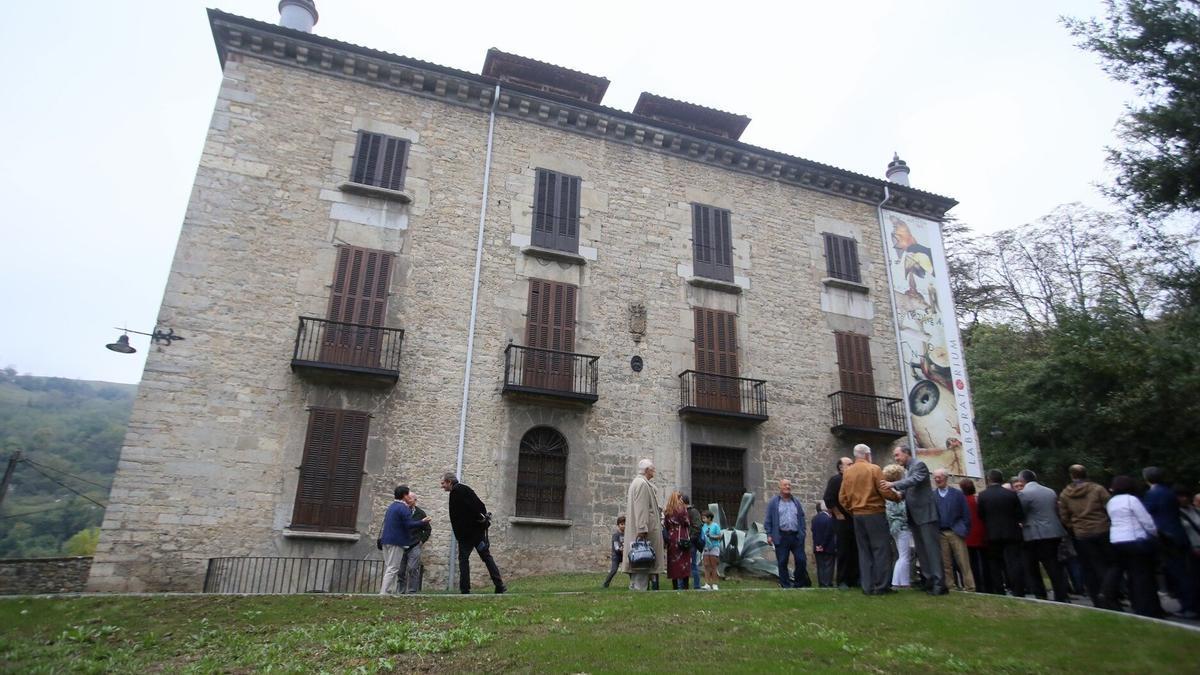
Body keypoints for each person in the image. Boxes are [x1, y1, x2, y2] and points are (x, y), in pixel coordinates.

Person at [881, 444, 946, 595]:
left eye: (897, 455)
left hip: (926, 515)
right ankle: (928, 580)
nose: (896, 459)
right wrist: (897, 495)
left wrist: (893, 484)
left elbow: (914, 481)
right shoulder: (908, 469)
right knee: (922, 551)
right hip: (915, 516)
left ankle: (939, 584)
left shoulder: (919, 465)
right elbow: (908, 490)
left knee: (931, 550)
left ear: (906, 453)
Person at [839, 444, 901, 595]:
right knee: (881, 549)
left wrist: (852, 509)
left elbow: (842, 497)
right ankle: (881, 586)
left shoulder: (847, 473)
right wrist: (897, 496)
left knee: (864, 551)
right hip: (874, 513)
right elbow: (884, 490)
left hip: (857, 515)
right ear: (867, 455)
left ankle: (867, 586)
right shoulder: (874, 469)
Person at [1057, 465, 1118, 609]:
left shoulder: (1065, 494)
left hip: (1081, 533)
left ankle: (1096, 598)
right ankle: (1110, 596)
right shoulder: (1097, 489)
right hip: (1101, 529)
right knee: (1107, 564)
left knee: (1088, 566)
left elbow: (1064, 516)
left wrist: (1074, 526)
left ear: (1072, 476)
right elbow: (1110, 506)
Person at [1142, 467, 1196, 618]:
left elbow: (1147, 514)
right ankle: (1190, 603)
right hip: (1176, 534)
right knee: (1183, 571)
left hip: (1167, 537)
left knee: (1179, 573)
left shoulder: (1153, 494)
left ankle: (1189, 605)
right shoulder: (1168, 492)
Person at [1108, 475, 1164, 618]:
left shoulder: (1111, 501)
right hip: (1134, 539)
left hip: (1117, 540)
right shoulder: (1131, 500)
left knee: (1128, 573)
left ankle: (1132, 601)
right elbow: (1146, 520)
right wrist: (1154, 534)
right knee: (1142, 575)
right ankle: (1146, 607)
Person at [441, 473, 506, 594]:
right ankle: (499, 585)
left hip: (466, 535)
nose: (442, 486)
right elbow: (480, 505)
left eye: (443, 483)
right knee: (486, 557)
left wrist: (474, 520)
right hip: (477, 532)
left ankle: (465, 589)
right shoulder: (466, 489)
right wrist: (480, 519)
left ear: (449, 482)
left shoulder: (456, 492)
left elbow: (468, 509)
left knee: (464, 560)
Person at [1016, 469, 1070, 603]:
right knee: (1054, 565)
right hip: (1053, 531)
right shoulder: (1050, 491)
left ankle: (1040, 593)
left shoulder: (1024, 494)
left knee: (1032, 566)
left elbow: (1020, 513)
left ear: (1022, 480)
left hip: (1034, 533)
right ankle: (1062, 594)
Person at [976, 469, 1026, 597]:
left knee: (994, 563)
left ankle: (999, 589)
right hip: (1011, 532)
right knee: (1013, 562)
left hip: (992, 533)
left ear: (988, 479)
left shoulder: (983, 496)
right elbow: (1019, 514)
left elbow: (981, 514)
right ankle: (1018, 589)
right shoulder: (1011, 494)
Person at [379, 485, 431, 595]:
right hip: (396, 541)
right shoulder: (403, 508)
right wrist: (422, 522)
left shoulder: (392, 506)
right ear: (404, 496)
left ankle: (389, 591)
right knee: (393, 568)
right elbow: (409, 524)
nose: (409, 497)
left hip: (386, 541)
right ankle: (384, 593)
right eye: (408, 494)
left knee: (390, 567)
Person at [624, 458, 665, 591]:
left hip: (644, 530)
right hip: (644, 532)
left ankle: (636, 588)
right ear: (647, 470)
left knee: (641, 562)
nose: (654, 471)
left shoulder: (640, 483)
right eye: (653, 468)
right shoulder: (642, 484)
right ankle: (638, 589)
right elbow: (641, 508)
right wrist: (642, 529)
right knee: (642, 561)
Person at [764, 478, 811, 588]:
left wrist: (802, 532)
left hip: (796, 536)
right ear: (780, 487)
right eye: (785, 485)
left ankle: (798, 584)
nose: (787, 487)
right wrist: (769, 535)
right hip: (781, 536)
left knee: (801, 560)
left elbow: (802, 518)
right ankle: (785, 585)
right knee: (782, 561)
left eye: (789, 485)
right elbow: (768, 519)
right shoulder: (774, 503)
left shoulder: (796, 502)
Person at [932, 469, 974, 592]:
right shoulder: (933, 495)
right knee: (946, 562)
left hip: (956, 531)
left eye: (939, 477)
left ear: (946, 478)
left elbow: (966, 513)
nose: (937, 480)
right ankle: (951, 586)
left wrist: (964, 529)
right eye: (935, 478)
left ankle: (970, 586)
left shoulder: (957, 494)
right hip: (941, 532)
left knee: (963, 561)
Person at [824, 456, 859, 589]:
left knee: (855, 549)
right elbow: (828, 499)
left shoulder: (854, 480)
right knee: (844, 550)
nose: (852, 466)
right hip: (842, 521)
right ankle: (842, 580)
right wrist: (838, 514)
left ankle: (854, 578)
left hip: (855, 519)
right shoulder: (836, 480)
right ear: (841, 467)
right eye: (849, 464)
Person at [395, 489, 432, 593]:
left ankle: (412, 592)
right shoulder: (401, 511)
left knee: (412, 568)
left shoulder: (420, 513)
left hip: (415, 545)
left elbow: (428, 529)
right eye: (406, 498)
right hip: (402, 544)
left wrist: (421, 541)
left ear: (415, 500)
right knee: (400, 571)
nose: (407, 500)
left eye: (410, 498)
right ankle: (400, 592)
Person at [883, 464, 912, 589]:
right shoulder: (895, 493)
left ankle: (903, 581)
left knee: (902, 554)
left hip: (894, 526)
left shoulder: (888, 492)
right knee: (904, 555)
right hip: (901, 526)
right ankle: (898, 582)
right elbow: (901, 510)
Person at [961, 479, 989, 593]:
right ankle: (987, 585)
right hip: (981, 532)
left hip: (969, 534)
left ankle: (977, 584)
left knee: (972, 562)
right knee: (984, 560)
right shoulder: (977, 499)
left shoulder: (963, 501)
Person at [1176, 485, 1200, 617]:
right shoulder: (1176, 514)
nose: (1184, 499)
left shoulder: (1195, 511)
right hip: (1189, 550)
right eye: (1181, 496)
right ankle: (1191, 606)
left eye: (1186, 496)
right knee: (1192, 579)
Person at [664, 491, 693, 589]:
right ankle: (685, 586)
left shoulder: (668, 510)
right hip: (682, 537)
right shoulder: (682, 509)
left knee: (673, 563)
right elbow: (686, 522)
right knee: (684, 561)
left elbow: (666, 525)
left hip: (671, 538)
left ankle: (675, 586)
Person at [811, 502, 836, 588]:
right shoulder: (829, 519)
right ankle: (827, 583)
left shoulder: (814, 519)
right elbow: (828, 534)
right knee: (828, 565)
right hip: (828, 546)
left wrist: (818, 545)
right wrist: (823, 545)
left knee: (820, 565)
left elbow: (813, 532)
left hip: (817, 546)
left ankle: (821, 583)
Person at [683, 495, 703, 591]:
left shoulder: (693, 512)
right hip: (683, 542)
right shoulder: (682, 512)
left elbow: (697, 526)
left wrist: (690, 538)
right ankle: (682, 586)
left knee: (693, 564)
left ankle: (696, 586)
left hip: (691, 542)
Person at [602, 516, 626, 588]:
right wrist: (620, 549)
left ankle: (633, 583)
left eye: (625, 524)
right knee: (614, 570)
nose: (623, 526)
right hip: (616, 555)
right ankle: (606, 584)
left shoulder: (627, 534)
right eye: (621, 524)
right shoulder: (616, 535)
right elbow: (616, 546)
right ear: (618, 525)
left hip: (624, 555)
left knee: (629, 569)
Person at [701, 510, 722, 590]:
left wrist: (712, 536)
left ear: (709, 518)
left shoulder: (715, 526)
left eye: (705, 518)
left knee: (713, 566)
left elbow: (719, 536)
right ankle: (707, 583)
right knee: (706, 565)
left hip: (714, 547)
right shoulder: (704, 526)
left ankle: (715, 584)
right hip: (706, 547)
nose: (703, 520)